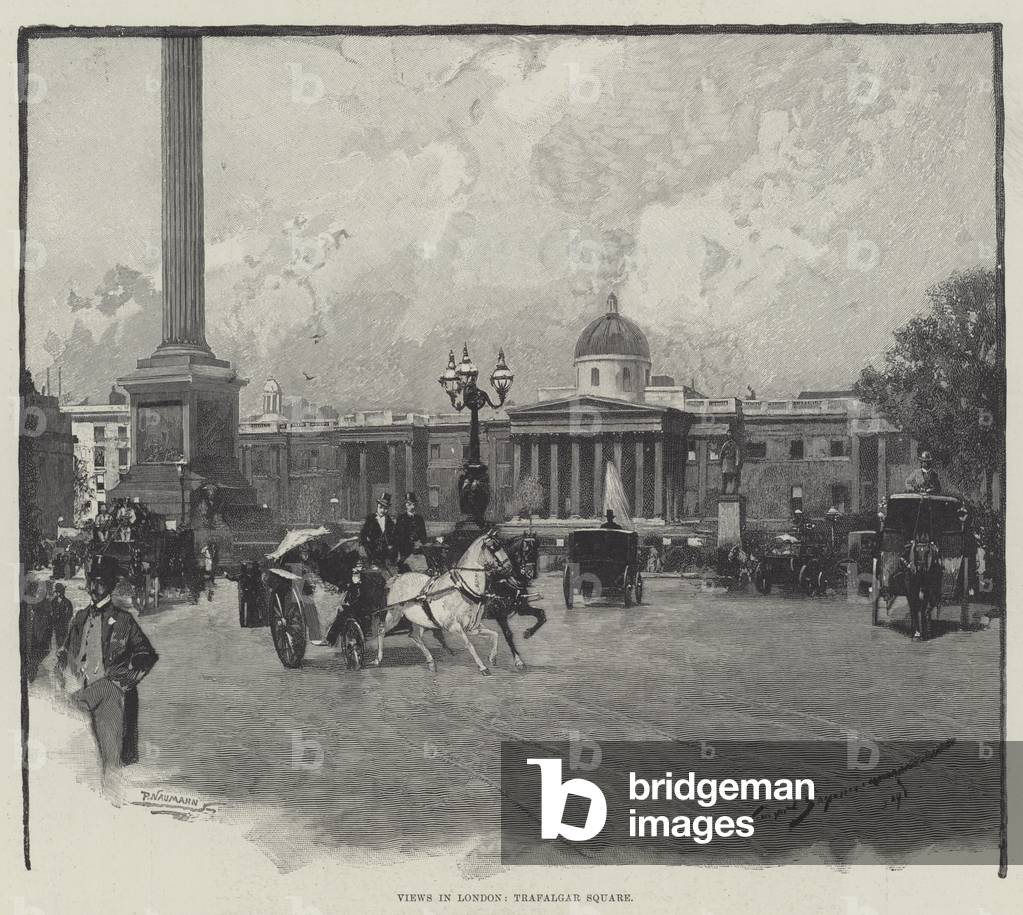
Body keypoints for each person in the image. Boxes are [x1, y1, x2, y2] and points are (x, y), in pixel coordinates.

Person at [55, 559, 158, 773]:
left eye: (100, 583)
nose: (94, 588)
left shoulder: (123, 619)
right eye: (92, 582)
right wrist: (62, 676)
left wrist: (124, 682)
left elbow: (146, 655)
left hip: (109, 692)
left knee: (111, 762)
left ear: (109, 586)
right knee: (76, 758)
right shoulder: (80, 617)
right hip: (79, 691)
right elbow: (66, 652)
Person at [360, 493, 398, 569]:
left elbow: (394, 536)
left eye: (385, 508)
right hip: (372, 550)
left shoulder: (389, 521)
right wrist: (364, 544)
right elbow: (363, 534)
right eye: (380, 507)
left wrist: (391, 545)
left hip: (386, 552)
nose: (382, 510)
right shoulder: (370, 519)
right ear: (377, 506)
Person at [395, 491, 429, 570]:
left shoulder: (419, 519)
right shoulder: (401, 519)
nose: (412, 507)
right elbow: (398, 537)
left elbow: (424, 536)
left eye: (413, 504)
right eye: (409, 504)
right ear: (405, 505)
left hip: (418, 552)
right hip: (405, 552)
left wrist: (421, 542)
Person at [50, 582, 74, 650]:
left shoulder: (67, 602)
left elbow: (70, 614)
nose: (62, 593)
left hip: (64, 625)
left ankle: (63, 654)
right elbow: (51, 612)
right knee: (58, 640)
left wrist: (65, 620)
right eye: (60, 591)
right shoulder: (53, 601)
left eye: (62, 591)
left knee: (64, 640)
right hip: (56, 625)